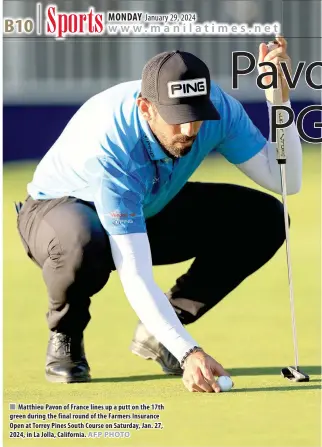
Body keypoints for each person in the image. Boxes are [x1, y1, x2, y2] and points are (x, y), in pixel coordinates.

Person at [16, 36, 302, 393]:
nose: (188, 131)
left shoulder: (218, 110)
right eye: (177, 118)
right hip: (55, 213)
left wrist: (280, 102)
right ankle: (66, 335)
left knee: (265, 217)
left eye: (195, 116)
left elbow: (285, 180)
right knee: (85, 241)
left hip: (151, 201)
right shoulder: (113, 145)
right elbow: (134, 273)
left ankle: (162, 331)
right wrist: (190, 352)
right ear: (146, 108)